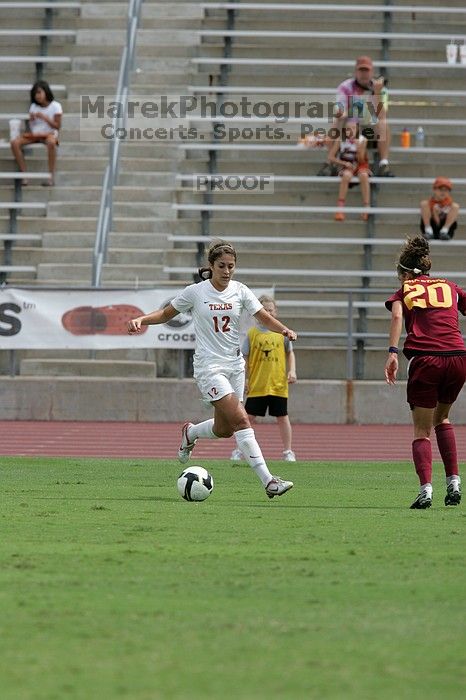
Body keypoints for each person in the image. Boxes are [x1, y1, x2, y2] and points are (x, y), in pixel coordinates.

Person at [127, 240, 297, 499]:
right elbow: (166, 314)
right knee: (241, 419)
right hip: (209, 367)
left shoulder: (240, 291)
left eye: (231, 266)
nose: (227, 271)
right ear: (211, 266)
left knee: (226, 429)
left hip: (235, 366)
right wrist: (142, 319)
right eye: (221, 266)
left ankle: (191, 432)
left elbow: (261, 315)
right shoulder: (196, 292)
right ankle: (269, 481)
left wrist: (282, 328)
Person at [384, 236, 466, 509]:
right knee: (442, 418)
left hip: (426, 359)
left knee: (422, 429)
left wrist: (393, 353)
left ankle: (425, 490)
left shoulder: (405, 291)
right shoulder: (450, 286)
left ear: (406, 273)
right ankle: (454, 482)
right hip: (457, 357)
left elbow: (397, 317)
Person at [230, 294, 297, 463]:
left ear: (276, 311)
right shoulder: (252, 334)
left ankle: (288, 451)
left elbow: (290, 353)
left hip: (277, 384)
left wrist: (292, 371)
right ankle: (239, 449)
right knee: (247, 419)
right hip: (257, 384)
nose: (268, 313)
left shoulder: (282, 333)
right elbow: (244, 358)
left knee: (282, 417)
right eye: (264, 310)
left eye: (271, 310)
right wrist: (244, 379)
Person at [319, 55, 394, 178]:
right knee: (336, 121)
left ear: (372, 72)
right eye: (361, 70)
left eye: (367, 70)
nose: (364, 74)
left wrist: (377, 94)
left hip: (369, 130)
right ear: (356, 72)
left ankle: (383, 164)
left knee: (383, 123)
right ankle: (331, 163)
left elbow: (381, 115)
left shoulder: (381, 89)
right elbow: (340, 112)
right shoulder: (345, 87)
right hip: (350, 128)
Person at [10, 80, 62, 186]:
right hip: (35, 134)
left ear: (46, 92)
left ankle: (50, 177)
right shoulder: (33, 106)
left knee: (51, 143)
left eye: (39, 92)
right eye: (35, 94)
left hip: (49, 134)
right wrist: (32, 119)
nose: (37, 96)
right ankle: (24, 175)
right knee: (14, 143)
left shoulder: (56, 106)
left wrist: (45, 118)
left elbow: (57, 126)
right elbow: (31, 126)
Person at [328, 118, 371, 222]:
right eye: (348, 129)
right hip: (347, 165)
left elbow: (361, 159)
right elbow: (331, 157)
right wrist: (344, 163)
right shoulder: (340, 139)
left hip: (360, 164)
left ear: (357, 129)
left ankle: (366, 207)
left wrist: (358, 147)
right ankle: (340, 208)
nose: (350, 131)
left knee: (364, 175)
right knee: (346, 176)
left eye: (353, 128)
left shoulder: (363, 140)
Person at [420, 177, 460, 241]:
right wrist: (435, 213)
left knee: (455, 206)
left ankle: (444, 231)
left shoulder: (450, 205)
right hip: (432, 229)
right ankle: (428, 231)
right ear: (434, 190)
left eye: (446, 190)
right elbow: (436, 221)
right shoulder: (429, 203)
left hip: (445, 232)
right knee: (424, 204)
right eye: (441, 189)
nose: (443, 192)